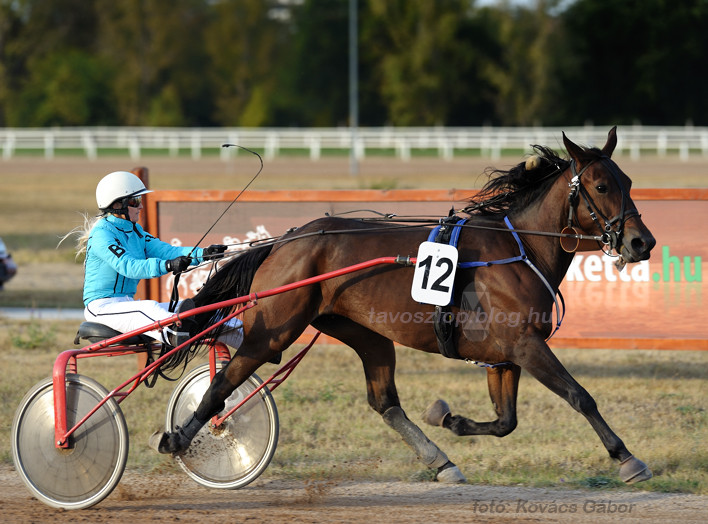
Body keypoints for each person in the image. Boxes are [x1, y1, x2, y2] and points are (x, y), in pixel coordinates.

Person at [67, 170, 242, 349]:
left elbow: (167, 251)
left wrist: (203, 254)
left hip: (127, 305)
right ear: (117, 204)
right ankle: (176, 333)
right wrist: (167, 266)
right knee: (150, 308)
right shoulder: (102, 235)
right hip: (102, 309)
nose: (140, 207)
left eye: (140, 201)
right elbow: (128, 266)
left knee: (205, 311)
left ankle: (256, 343)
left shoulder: (136, 231)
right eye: (135, 202)